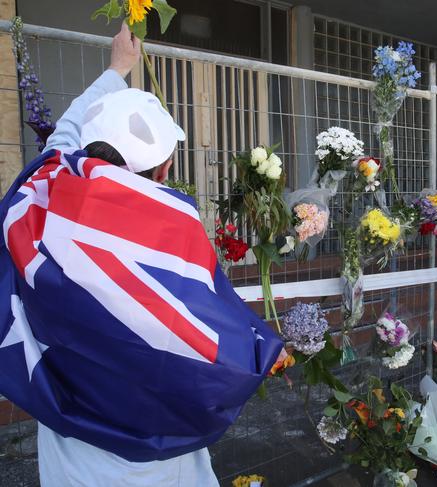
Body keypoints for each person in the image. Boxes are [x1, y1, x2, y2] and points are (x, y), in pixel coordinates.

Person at [0, 23, 284, 486]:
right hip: (158, 457)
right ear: (166, 166)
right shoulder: (173, 231)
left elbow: (64, 134)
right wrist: (259, 348)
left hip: (71, 449)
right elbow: (213, 343)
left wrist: (116, 71)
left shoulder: (38, 203)